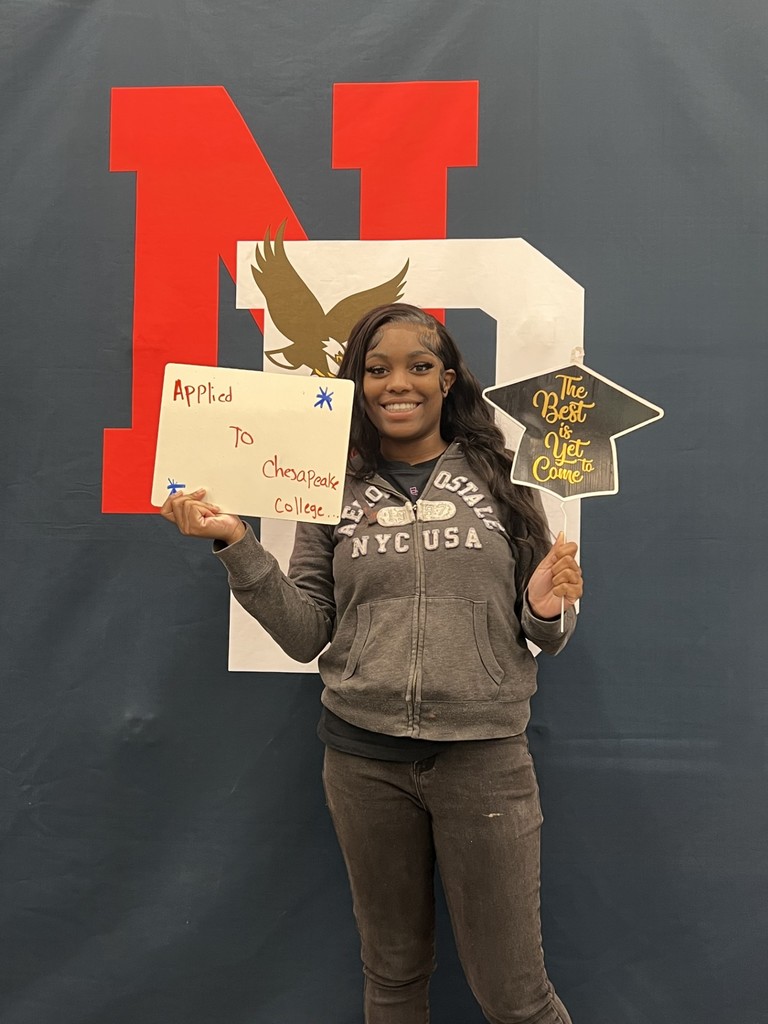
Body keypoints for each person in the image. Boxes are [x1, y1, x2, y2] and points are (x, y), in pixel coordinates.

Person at [162, 303, 583, 1024]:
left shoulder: (506, 480)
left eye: (419, 367)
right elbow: (304, 634)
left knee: (515, 997)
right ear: (356, 383)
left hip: (481, 761)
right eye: (376, 369)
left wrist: (545, 608)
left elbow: (549, 631)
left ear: (447, 379)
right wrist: (237, 544)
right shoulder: (330, 488)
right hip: (362, 764)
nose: (399, 384)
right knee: (392, 976)